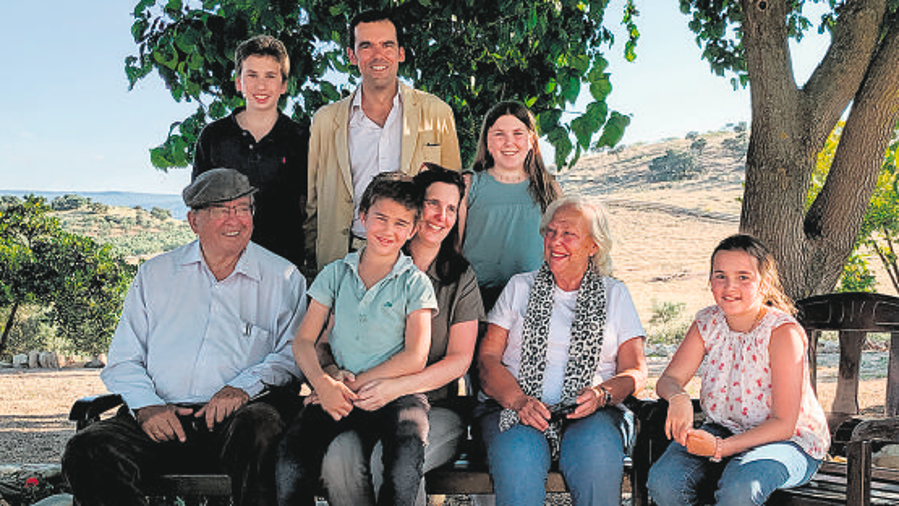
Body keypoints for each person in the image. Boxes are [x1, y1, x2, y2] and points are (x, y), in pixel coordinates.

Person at [62, 168, 308, 506]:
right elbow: (124, 359)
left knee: (262, 424)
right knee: (88, 448)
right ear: (194, 221)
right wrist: (147, 406)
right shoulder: (156, 275)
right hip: (160, 417)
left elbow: (291, 355)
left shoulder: (282, 277)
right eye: (222, 210)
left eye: (244, 207)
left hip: (235, 422)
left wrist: (242, 389)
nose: (236, 219)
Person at [318, 163, 485, 506]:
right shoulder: (366, 265)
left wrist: (397, 386)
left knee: (392, 460)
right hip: (359, 402)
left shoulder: (460, 277)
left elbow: (459, 360)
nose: (440, 216)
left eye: (451, 208)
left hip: (433, 408)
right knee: (337, 460)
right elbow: (323, 344)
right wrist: (333, 377)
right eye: (432, 203)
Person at [276, 173, 438, 506]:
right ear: (362, 216)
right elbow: (304, 341)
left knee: (405, 459)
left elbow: (415, 357)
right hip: (337, 394)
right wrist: (322, 384)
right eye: (380, 218)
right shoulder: (335, 274)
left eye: (400, 223)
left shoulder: (415, 283)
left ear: (412, 230)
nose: (388, 230)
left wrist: (352, 386)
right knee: (291, 460)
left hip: (394, 394)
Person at [475, 195, 647, 506]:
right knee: (518, 460)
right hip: (515, 409)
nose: (555, 241)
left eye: (568, 234)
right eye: (551, 232)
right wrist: (518, 401)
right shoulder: (519, 287)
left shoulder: (615, 294)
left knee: (597, 457)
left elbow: (635, 371)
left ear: (593, 246)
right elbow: (487, 359)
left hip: (592, 414)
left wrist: (601, 395)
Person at [647, 234, 830, 506]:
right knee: (664, 481)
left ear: (764, 283)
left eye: (743, 277)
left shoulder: (782, 333)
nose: (729, 286)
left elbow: (784, 424)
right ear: (710, 282)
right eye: (720, 276)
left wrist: (720, 449)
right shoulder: (707, 322)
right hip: (724, 429)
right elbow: (670, 379)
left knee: (741, 486)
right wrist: (678, 397)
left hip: (790, 443)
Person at [305, 8, 462, 273]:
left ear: (400, 53)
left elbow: (453, 194)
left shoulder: (437, 113)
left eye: (387, 45)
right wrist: (312, 260)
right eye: (366, 46)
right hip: (342, 258)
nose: (378, 55)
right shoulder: (325, 120)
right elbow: (313, 201)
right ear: (352, 56)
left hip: (413, 259)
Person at [193, 35, 309, 270]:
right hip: (223, 266)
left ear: (284, 85)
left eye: (270, 76)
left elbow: (310, 205)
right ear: (239, 82)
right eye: (252, 75)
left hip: (284, 267)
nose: (261, 85)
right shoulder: (213, 137)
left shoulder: (302, 139)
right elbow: (200, 207)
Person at [462, 101, 562, 311]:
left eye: (518, 133)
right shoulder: (469, 184)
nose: (509, 142)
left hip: (534, 299)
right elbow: (453, 247)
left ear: (532, 141)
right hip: (476, 300)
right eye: (499, 134)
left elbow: (561, 247)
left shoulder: (550, 188)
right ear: (487, 143)